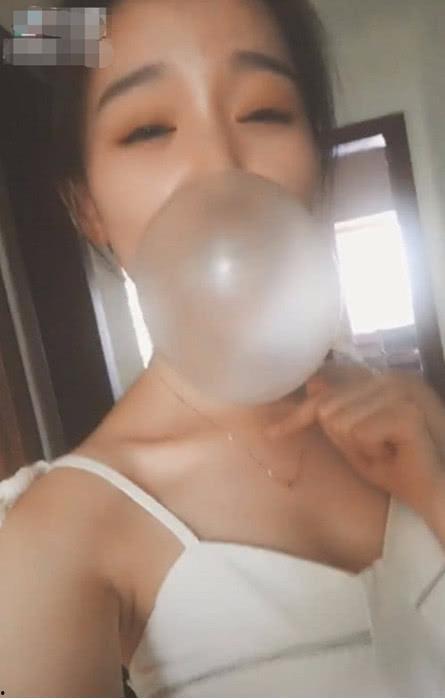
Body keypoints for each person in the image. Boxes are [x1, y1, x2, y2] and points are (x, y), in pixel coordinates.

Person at [1, 1, 445, 696]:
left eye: (264, 112)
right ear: (87, 207)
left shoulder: (411, 416)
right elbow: (24, 33)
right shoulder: (59, 530)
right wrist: (38, 29)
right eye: (148, 128)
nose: (219, 165)